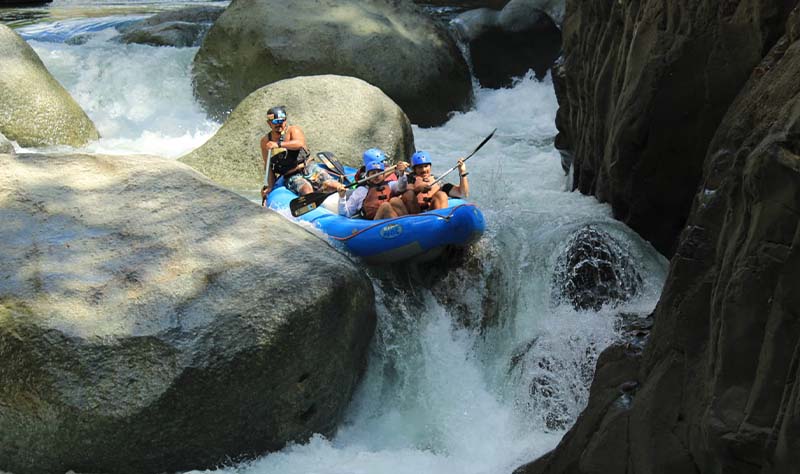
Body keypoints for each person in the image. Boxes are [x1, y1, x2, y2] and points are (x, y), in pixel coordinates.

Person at [260, 105, 341, 200]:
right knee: (306, 190)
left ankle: (343, 191)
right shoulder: (265, 141)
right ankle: (313, 201)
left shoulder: (293, 130)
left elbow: (299, 144)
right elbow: (268, 166)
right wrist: (270, 187)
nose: (279, 125)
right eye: (276, 122)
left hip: (308, 167)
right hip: (291, 175)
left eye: (282, 121)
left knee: (330, 183)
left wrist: (278, 144)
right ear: (269, 123)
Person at [338, 148, 409, 220]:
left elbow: (402, 187)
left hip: (391, 221)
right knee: (385, 206)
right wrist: (342, 197)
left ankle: (408, 224)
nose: (377, 175)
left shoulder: (390, 185)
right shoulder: (362, 191)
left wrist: (402, 174)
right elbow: (346, 213)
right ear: (367, 176)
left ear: (384, 175)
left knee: (395, 200)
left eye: (379, 172)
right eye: (373, 173)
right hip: (373, 224)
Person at [397, 150, 469, 214]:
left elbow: (462, 193)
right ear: (415, 169)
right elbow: (407, 192)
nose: (424, 170)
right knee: (409, 194)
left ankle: (443, 221)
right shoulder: (410, 178)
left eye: (426, 166)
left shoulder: (438, 181)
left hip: (432, 213)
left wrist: (462, 172)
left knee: (441, 194)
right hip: (415, 214)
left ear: (430, 166)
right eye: (420, 167)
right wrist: (418, 189)